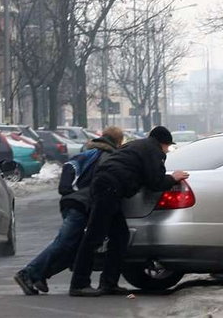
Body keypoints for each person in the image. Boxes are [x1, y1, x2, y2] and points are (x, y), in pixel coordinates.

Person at [68, 126, 189, 297]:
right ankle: (79, 284)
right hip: (110, 189)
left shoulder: (137, 145)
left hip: (105, 186)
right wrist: (173, 178)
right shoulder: (153, 151)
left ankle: (109, 283)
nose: (167, 150)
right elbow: (155, 181)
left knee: (120, 236)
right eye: (168, 147)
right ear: (163, 143)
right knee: (94, 236)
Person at [13, 127, 125, 295]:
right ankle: (28, 273)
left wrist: (69, 192)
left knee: (74, 247)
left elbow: (69, 169)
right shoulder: (106, 157)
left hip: (73, 201)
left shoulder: (88, 152)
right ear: (118, 142)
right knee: (65, 243)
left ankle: (39, 275)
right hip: (81, 204)